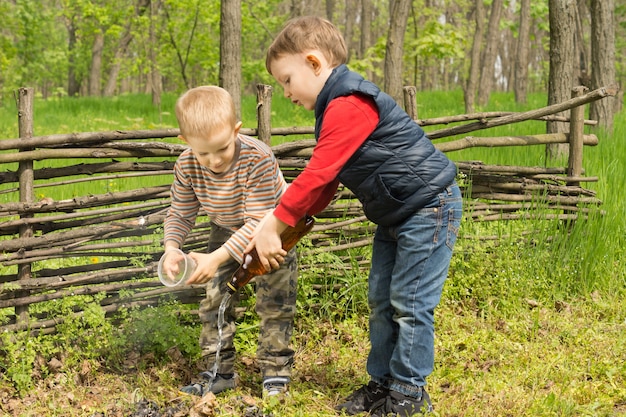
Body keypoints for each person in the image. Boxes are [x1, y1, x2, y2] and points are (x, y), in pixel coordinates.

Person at [245, 16, 462, 416]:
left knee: (410, 303)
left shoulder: (349, 102)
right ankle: (382, 383)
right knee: (381, 300)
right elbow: (327, 184)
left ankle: (409, 393)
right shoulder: (332, 108)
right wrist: (286, 223)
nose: (286, 92)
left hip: (429, 206)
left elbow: (320, 172)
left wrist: (273, 223)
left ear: (313, 62)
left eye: (287, 80)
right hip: (395, 214)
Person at [162, 85, 297, 398]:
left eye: (221, 149)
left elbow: (257, 224)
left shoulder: (258, 158)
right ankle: (218, 372)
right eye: (203, 152)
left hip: (273, 231)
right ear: (185, 143)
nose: (213, 160)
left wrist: (215, 258)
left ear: (236, 130)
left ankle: (275, 374)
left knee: (274, 302)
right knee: (214, 301)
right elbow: (180, 214)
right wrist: (172, 248)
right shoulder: (186, 164)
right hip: (224, 229)